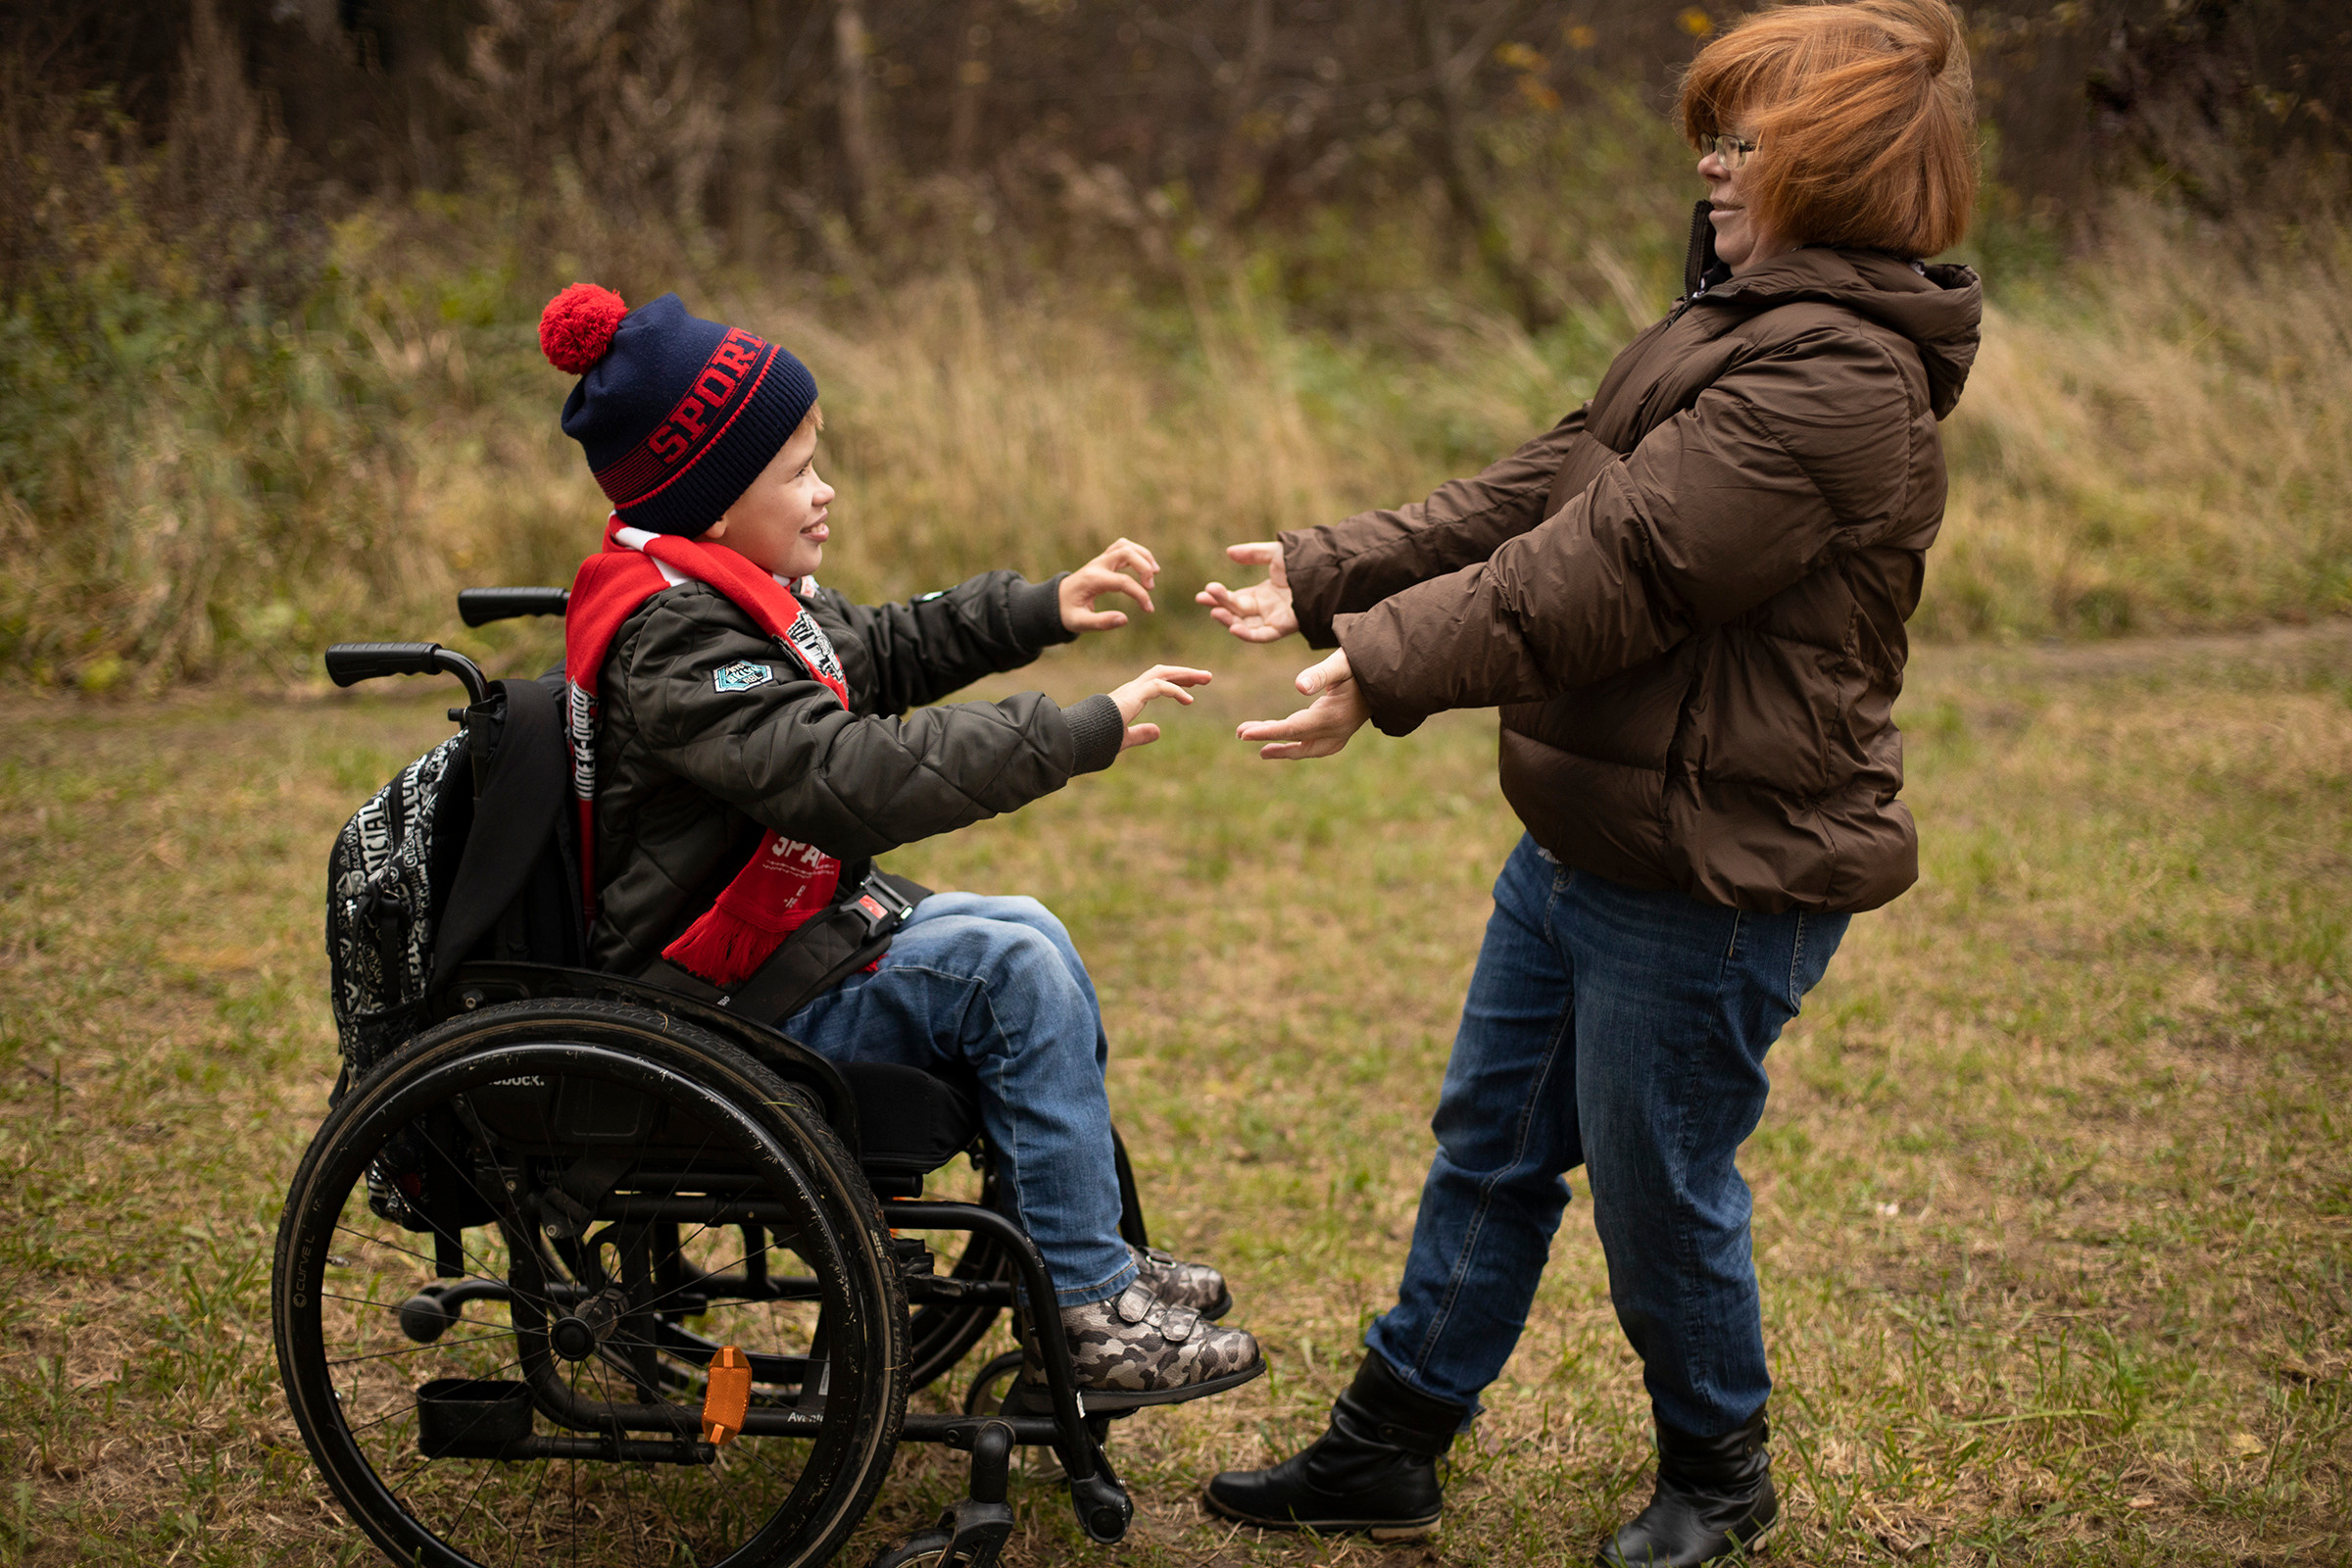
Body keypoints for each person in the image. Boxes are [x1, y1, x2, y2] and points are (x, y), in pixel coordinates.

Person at [1195, 0, 1982, 1560]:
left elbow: (1611, 567)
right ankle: (1392, 1443)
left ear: (1835, 171)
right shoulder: (1730, 323)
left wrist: (1387, 664)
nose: (1709, 162)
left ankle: (1716, 1473)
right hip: (1587, 839)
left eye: (1741, 138)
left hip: (1715, 871)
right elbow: (1553, 481)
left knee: (1658, 1192)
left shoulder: (1839, 383)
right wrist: (1332, 571)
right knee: (1490, 1142)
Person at [538, 283, 1260, 1399]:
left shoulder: (727, 595)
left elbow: (879, 646)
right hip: (701, 1002)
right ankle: (1083, 1303)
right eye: (797, 471)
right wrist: (1071, 733)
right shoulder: (679, 638)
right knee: (1007, 968)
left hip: (760, 956)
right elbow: (843, 775)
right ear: (715, 500)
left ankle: (1085, 1256)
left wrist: (1038, 609)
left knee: (1023, 927)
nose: (824, 493)